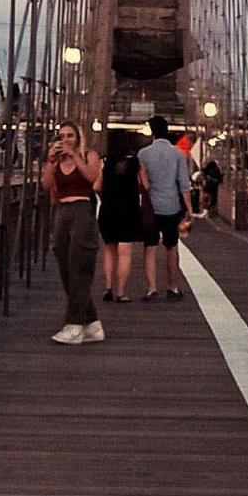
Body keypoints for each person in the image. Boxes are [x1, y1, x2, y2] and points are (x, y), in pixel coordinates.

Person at [43, 121, 103, 345]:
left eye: (70, 135)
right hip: (62, 211)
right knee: (65, 265)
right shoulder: (58, 160)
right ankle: (93, 323)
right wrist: (51, 161)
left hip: (82, 210)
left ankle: (75, 323)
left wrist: (75, 155)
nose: (65, 139)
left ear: (78, 137)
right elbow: (47, 185)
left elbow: (91, 178)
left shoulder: (89, 155)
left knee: (80, 265)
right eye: (61, 136)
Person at [136, 115, 192, 301]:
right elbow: (184, 184)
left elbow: (141, 183)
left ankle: (152, 288)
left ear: (152, 131)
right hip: (171, 206)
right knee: (171, 246)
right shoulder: (178, 154)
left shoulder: (143, 154)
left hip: (151, 206)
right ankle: (173, 287)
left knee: (150, 247)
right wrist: (189, 209)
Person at [95, 150, 144, 303]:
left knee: (109, 250)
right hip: (129, 211)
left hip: (108, 210)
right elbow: (145, 185)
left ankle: (108, 287)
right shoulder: (136, 163)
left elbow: (96, 186)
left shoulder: (104, 162)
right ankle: (121, 292)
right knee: (125, 253)